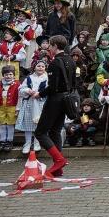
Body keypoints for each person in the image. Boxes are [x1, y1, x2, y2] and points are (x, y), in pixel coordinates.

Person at [36, 35, 76, 177]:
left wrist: (39, 94)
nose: (49, 48)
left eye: (50, 46)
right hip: (66, 99)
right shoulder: (71, 60)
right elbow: (74, 83)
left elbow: (52, 87)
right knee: (55, 131)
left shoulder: (54, 63)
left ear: (55, 46)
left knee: (40, 132)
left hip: (55, 100)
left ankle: (59, 160)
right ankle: (58, 168)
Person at [16, 59, 48, 154]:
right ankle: (27, 143)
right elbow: (21, 89)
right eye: (38, 66)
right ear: (34, 67)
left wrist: (40, 94)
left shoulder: (46, 79)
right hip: (29, 103)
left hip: (40, 103)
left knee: (39, 124)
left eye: (42, 66)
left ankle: (37, 142)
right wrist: (28, 91)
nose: (40, 68)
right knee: (28, 124)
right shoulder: (29, 78)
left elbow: (49, 91)